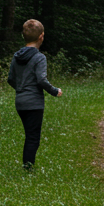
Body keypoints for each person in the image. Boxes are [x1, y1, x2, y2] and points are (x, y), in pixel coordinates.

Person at [7, 19, 62, 172]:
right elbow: (41, 80)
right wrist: (54, 91)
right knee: (33, 137)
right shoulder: (39, 57)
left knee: (29, 134)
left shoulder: (16, 56)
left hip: (20, 101)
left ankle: (28, 165)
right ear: (41, 36)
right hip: (34, 103)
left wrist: (21, 90)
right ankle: (28, 168)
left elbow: (10, 79)